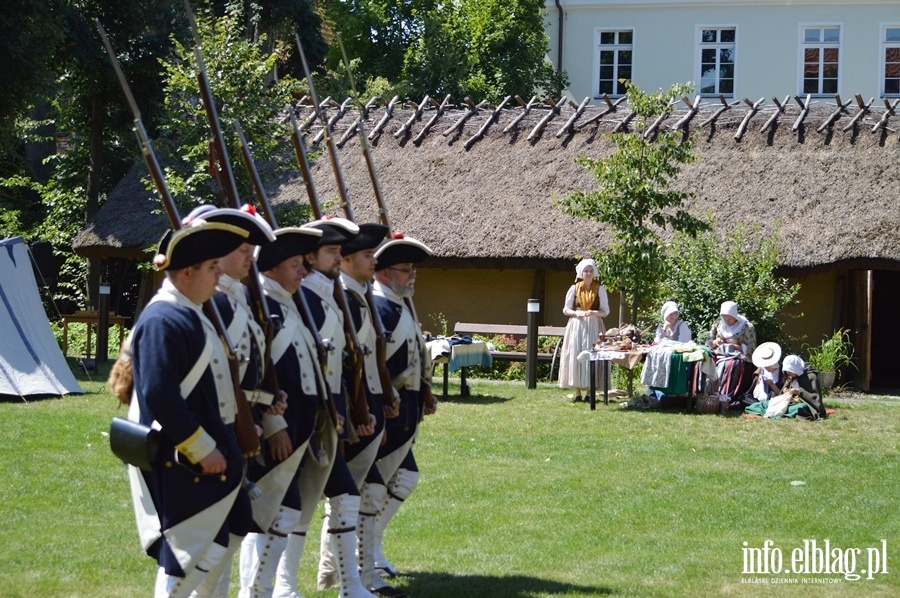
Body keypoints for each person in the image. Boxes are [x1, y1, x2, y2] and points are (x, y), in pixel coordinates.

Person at [127, 219, 252, 597]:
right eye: (212, 268)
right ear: (186, 272)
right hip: (184, 459)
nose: (219, 275)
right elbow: (160, 394)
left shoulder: (191, 312)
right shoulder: (163, 318)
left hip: (213, 449)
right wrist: (201, 448)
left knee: (223, 538)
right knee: (188, 552)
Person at [273, 217, 376, 598]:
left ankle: (349, 585)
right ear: (311, 258)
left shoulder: (325, 297)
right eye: (332, 251)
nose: (339, 257)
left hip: (325, 419)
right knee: (290, 505)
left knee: (340, 497)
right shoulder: (308, 300)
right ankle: (282, 587)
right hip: (303, 418)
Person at [183, 205, 282, 598]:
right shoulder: (210, 305)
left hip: (239, 426)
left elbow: (248, 368)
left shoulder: (236, 299)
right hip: (213, 431)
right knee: (211, 536)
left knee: (232, 530)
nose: (250, 257)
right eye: (241, 249)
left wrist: (264, 407)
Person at [313, 223, 407, 598]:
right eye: (367, 255)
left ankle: (358, 575)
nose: (374, 261)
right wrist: (355, 412)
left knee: (360, 495)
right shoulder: (342, 299)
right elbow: (344, 364)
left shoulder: (359, 296)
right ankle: (341, 577)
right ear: (347, 260)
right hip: (353, 413)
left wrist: (384, 395)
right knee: (347, 497)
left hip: (367, 409)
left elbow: (371, 357)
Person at [237, 225, 328, 598]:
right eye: (295, 264)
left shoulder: (290, 305)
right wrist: (274, 422)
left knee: (285, 512)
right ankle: (255, 592)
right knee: (271, 512)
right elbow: (257, 375)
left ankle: (265, 590)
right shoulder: (261, 306)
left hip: (301, 428)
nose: (303, 271)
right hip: (274, 429)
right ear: (272, 268)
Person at [369, 233, 435, 582]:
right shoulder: (380, 307)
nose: (411, 275)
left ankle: (373, 544)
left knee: (404, 477)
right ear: (382, 272)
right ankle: (366, 552)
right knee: (377, 484)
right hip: (386, 409)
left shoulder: (398, 304)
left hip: (406, 408)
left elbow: (413, 356)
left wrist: (424, 391)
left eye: (413, 270)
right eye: (405, 269)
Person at [558, 258, 609, 402]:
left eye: (591, 271)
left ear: (594, 273)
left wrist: (594, 313)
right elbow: (566, 309)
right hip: (577, 325)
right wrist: (577, 313)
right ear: (581, 272)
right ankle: (577, 391)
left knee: (591, 354)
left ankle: (589, 392)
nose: (588, 273)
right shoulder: (574, 289)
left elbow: (605, 311)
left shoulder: (600, 289)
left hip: (593, 325)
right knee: (576, 353)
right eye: (586, 271)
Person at [706, 300, 757, 412]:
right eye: (724, 318)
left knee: (730, 365)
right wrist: (716, 342)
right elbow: (709, 342)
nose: (726, 321)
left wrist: (736, 346)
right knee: (706, 361)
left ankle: (725, 397)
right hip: (719, 353)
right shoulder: (718, 322)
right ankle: (708, 395)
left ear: (735, 316)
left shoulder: (747, 326)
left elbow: (752, 348)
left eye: (729, 318)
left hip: (739, 355)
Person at [780, 355, 828, 419]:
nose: (788, 372)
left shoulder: (811, 377)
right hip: (790, 402)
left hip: (805, 404)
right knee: (768, 403)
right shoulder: (790, 377)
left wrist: (798, 391)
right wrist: (785, 390)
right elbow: (783, 391)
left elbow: (814, 397)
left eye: (790, 370)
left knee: (801, 408)